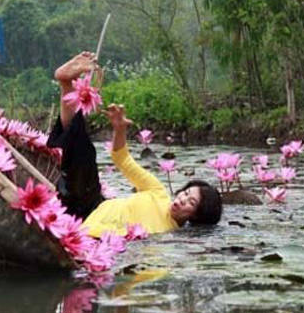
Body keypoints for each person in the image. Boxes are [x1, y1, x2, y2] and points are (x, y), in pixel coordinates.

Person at [46, 52, 222, 238]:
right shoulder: (158, 192)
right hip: (93, 206)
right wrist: (120, 130)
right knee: (85, 154)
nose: (181, 200)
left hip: (94, 235)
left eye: (191, 203)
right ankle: (66, 83)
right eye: (186, 193)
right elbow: (123, 160)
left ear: (196, 217)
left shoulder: (167, 234)